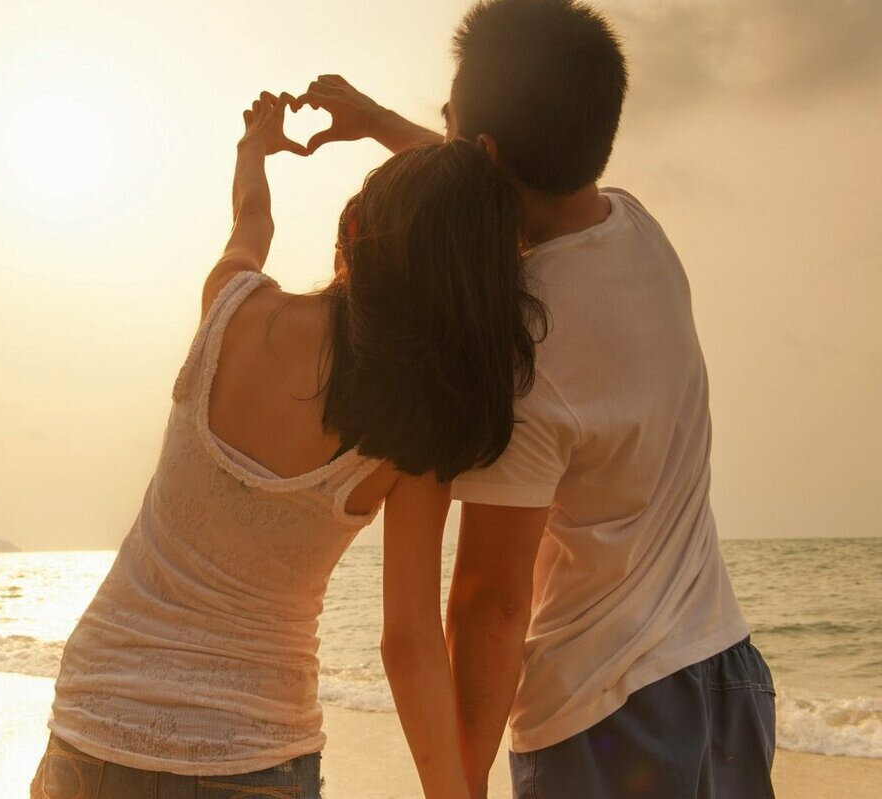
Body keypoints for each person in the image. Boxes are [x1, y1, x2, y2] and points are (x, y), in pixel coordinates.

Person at [296, 1, 775, 797]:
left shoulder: (523, 349)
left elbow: (490, 599)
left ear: (482, 151)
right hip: (727, 676)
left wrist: (463, 782)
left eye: (450, 124)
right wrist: (379, 122)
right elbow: (486, 185)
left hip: (606, 716)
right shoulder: (638, 228)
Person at [31, 89, 545, 799]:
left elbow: (252, 217)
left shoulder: (231, 306)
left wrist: (255, 150)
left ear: (352, 228)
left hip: (93, 721)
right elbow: (410, 642)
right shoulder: (414, 431)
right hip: (252, 754)